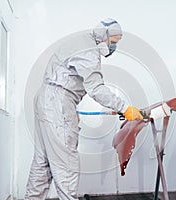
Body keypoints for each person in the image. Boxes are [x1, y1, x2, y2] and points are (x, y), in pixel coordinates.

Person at [24, 18, 143, 200]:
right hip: (57, 102)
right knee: (67, 164)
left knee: (43, 161)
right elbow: (96, 88)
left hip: (48, 99)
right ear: (103, 36)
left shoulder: (80, 41)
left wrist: (70, 108)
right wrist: (125, 108)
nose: (113, 49)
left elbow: (66, 78)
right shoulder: (89, 50)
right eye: (113, 43)